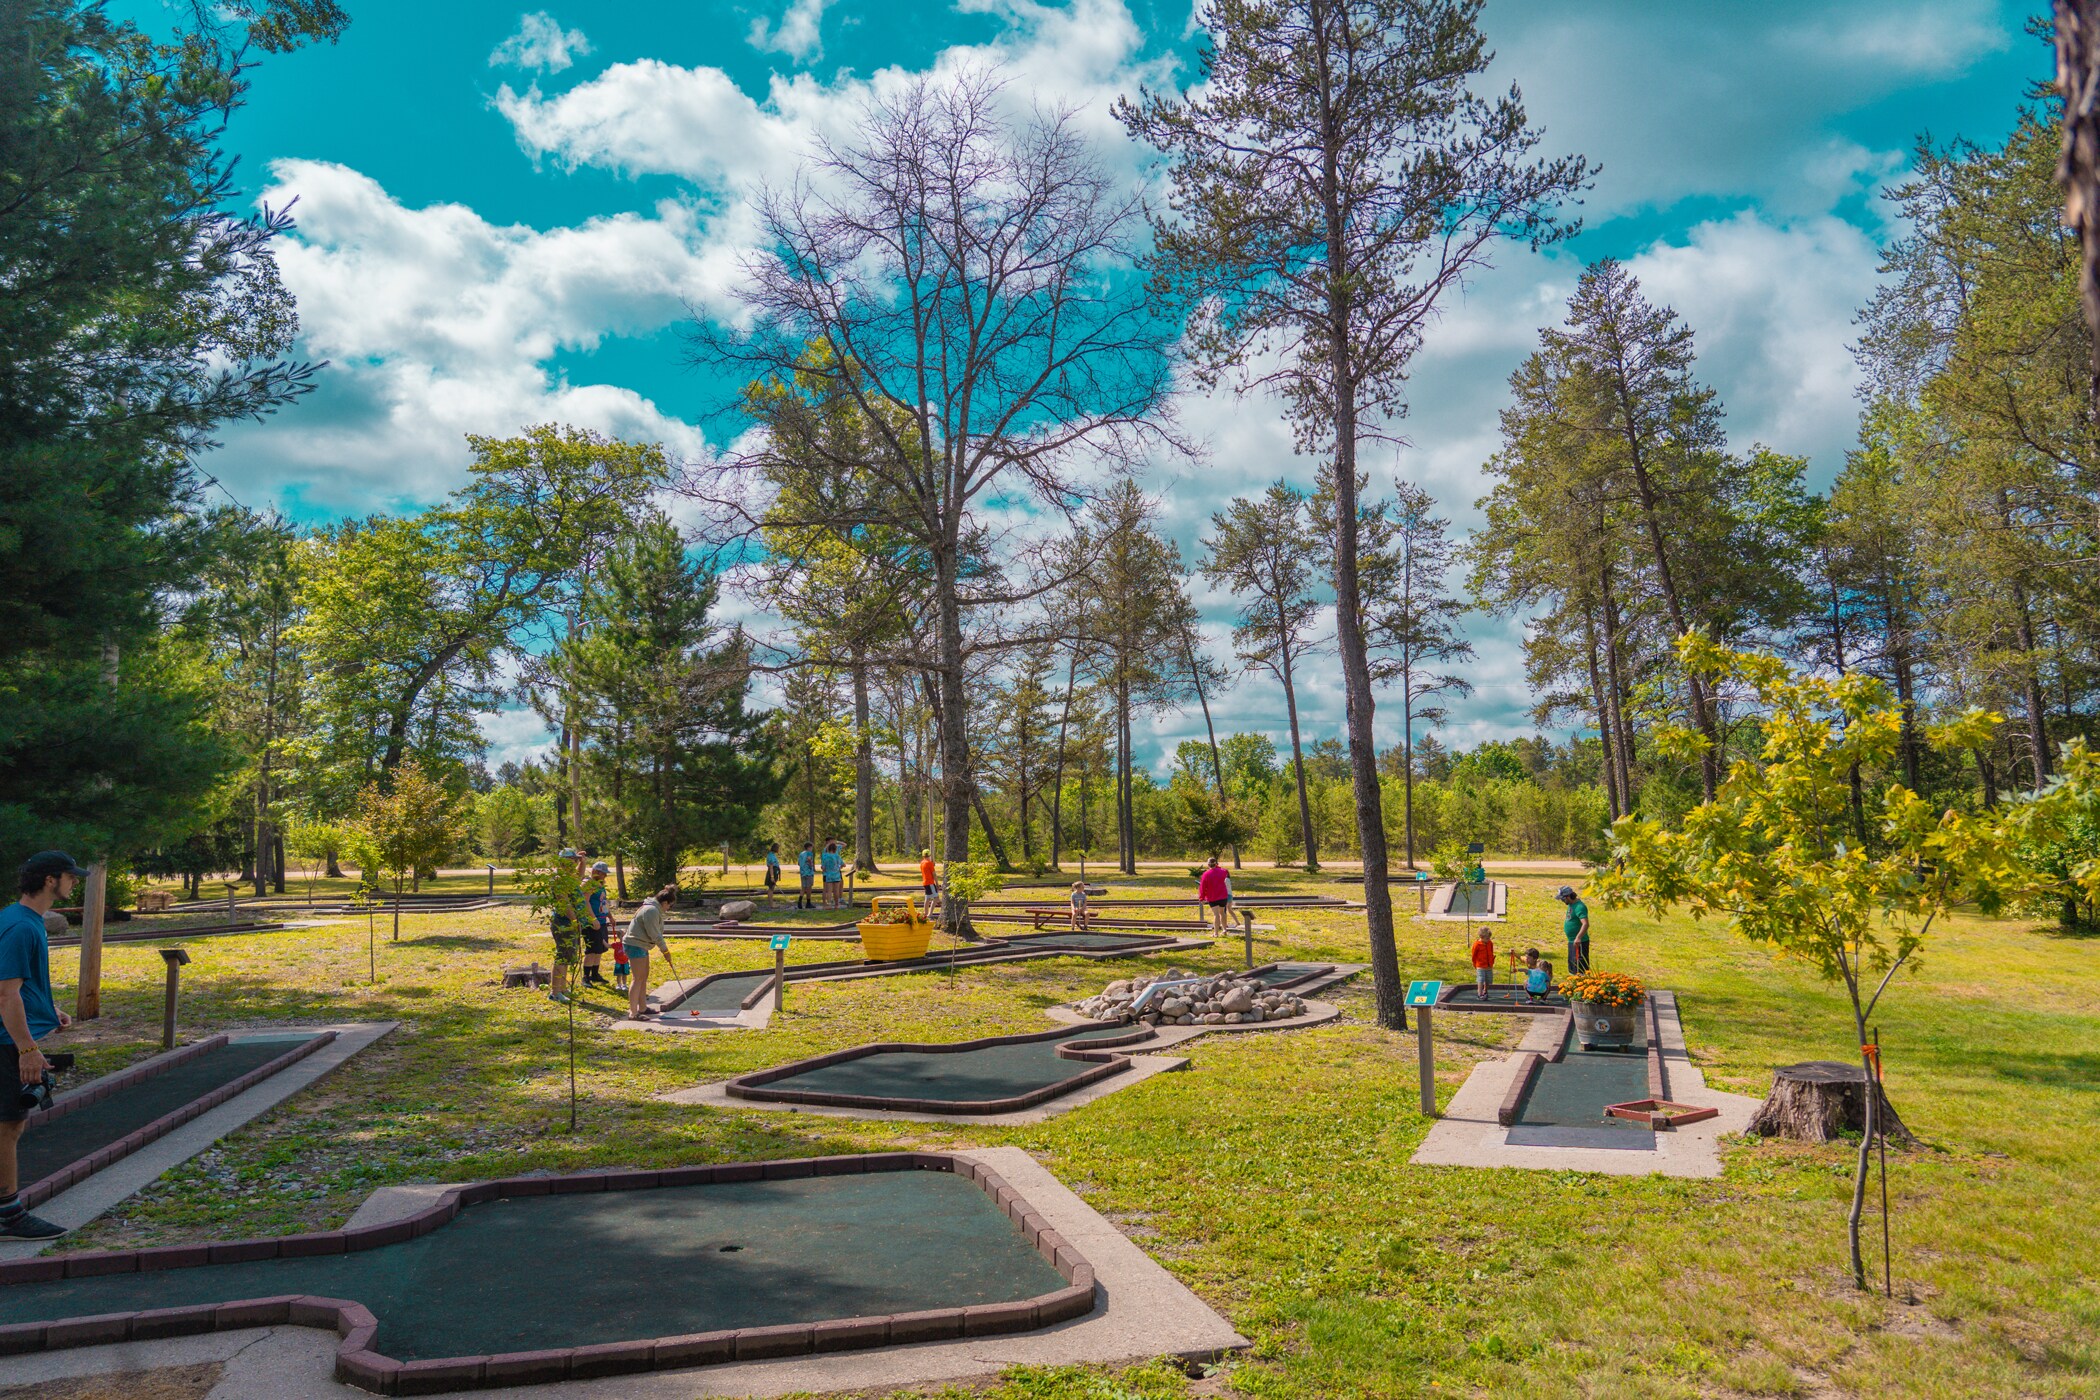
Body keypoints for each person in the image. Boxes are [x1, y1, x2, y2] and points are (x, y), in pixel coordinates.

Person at [1, 851, 85, 1241]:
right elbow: (5, 994)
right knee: (8, 1126)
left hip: (14, 1036)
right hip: (6, 1042)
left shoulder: (20, 920)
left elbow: (20, 985)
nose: (74, 883)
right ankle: (8, 1215)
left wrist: (49, 1009)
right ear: (51, 879)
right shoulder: (21, 927)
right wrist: (26, 1049)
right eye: (70, 877)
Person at [623, 884, 678, 1021]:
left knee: (643, 977)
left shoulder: (654, 909)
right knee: (637, 979)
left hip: (641, 946)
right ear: (664, 902)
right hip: (635, 945)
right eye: (669, 906)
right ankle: (633, 1013)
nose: (668, 909)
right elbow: (655, 934)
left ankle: (642, 1007)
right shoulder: (651, 911)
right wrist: (665, 951)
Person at [548, 848, 587, 1004]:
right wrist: (574, 920)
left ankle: (563, 988)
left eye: (575, 860)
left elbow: (579, 877)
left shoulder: (568, 877)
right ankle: (555, 992)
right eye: (572, 860)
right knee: (562, 956)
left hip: (570, 921)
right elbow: (564, 903)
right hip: (563, 922)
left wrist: (583, 863)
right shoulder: (559, 879)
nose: (574, 863)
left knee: (569, 954)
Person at [582, 861, 615, 988]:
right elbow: (585, 902)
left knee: (600, 949)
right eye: (603, 874)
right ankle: (586, 977)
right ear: (596, 872)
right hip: (591, 922)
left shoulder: (600, 885)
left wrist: (610, 917)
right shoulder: (588, 884)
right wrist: (593, 918)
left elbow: (604, 903)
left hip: (601, 921)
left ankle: (595, 974)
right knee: (591, 950)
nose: (605, 876)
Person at [1558, 885, 1591, 974]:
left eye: (1563, 899)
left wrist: (1578, 937)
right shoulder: (1571, 905)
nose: (1562, 901)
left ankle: (1581, 985)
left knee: (1579, 968)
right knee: (1572, 967)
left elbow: (1585, 924)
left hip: (1579, 943)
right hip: (1572, 941)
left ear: (1568, 896)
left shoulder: (1579, 907)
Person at [1197, 856, 1231, 933]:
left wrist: (1201, 898)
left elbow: (1202, 887)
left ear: (1208, 865)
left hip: (1212, 897)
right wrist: (1217, 866)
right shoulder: (1223, 871)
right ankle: (1224, 929)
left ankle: (1216, 933)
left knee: (1216, 915)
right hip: (1223, 895)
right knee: (1222, 912)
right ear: (1216, 863)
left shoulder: (1206, 874)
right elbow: (1224, 870)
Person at [1469, 928, 1496, 999]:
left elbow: (1491, 952)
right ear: (1481, 937)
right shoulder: (1477, 944)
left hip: (1489, 965)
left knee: (1488, 980)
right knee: (1480, 979)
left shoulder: (1490, 943)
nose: (1488, 939)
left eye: (1489, 938)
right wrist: (1475, 964)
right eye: (1487, 938)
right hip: (1480, 965)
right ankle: (1479, 993)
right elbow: (1474, 955)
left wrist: (1492, 961)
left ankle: (1485, 991)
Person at [819, 840, 844, 911]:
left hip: (828, 875)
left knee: (829, 891)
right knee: (836, 890)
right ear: (835, 849)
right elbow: (843, 864)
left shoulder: (825, 856)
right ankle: (837, 905)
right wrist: (839, 867)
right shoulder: (837, 856)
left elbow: (823, 867)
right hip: (836, 875)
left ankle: (829, 904)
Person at [796, 842, 816, 910]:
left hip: (802, 872)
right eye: (811, 847)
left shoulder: (801, 854)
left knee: (803, 887)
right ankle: (808, 902)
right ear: (809, 847)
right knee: (809, 888)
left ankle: (800, 901)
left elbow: (799, 863)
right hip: (809, 872)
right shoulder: (809, 853)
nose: (812, 849)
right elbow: (809, 859)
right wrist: (811, 865)